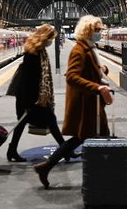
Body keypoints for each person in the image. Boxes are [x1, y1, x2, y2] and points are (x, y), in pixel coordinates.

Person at [33, 15, 113, 188]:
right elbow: (72, 77)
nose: (100, 33)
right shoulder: (79, 50)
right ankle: (105, 175)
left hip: (91, 103)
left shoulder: (89, 48)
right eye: (97, 30)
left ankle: (47, 167)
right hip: (86, 104)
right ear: (88, 30)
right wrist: (98, 88)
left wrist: (101, 69)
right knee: (93, 136)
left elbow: (88, 71)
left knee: (83, 137)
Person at [7, 24, 67, 162]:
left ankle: (12, 150)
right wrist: (28, 103)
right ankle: (65, 151)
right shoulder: (33, 54)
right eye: (51, 38)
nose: (51, 42)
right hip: (31, 99)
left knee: (22, 124)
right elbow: (27, 80)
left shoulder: (39, 51)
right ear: (45, 37)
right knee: (51, 121)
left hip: (31, 98)